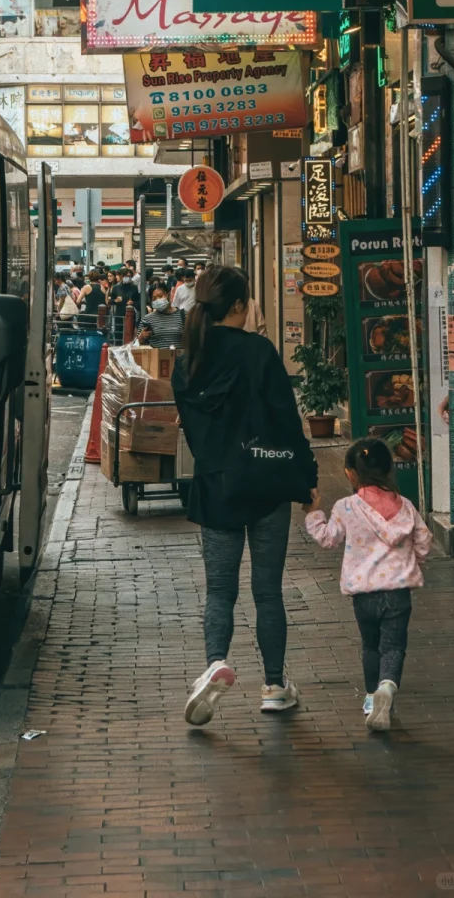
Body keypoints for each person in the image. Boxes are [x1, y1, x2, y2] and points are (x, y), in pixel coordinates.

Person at [172, 265, 318, 727]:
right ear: (239, 305)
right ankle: (274, 686)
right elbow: (286, 418)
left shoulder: (187, 358)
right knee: (267, 591)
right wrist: (307, 474)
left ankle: (216, 663)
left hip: (216, 486)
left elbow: (193, 430)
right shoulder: (259, 351)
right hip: (267, 481)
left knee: (220, 591)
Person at [304, 436, 431, 732]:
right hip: (398, 593)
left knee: (371, 646)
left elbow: (328, 538)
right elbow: (423, 541)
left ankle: (372, 697)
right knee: (393, 647)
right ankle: (388, 686)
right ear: (389, 470)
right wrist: (413, 560)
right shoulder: (406, 506)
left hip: (364, 596)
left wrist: (313, 514)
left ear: (350, 473)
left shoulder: (346, 507)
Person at [138, 282, 185, 348]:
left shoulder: (184, 315)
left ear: (168, 295)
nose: (158, 300)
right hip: (156, 357)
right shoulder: (147, 319)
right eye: (154, 298)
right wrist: (141, 337)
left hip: (180, 357)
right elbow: (137, 343)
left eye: (160, 296)